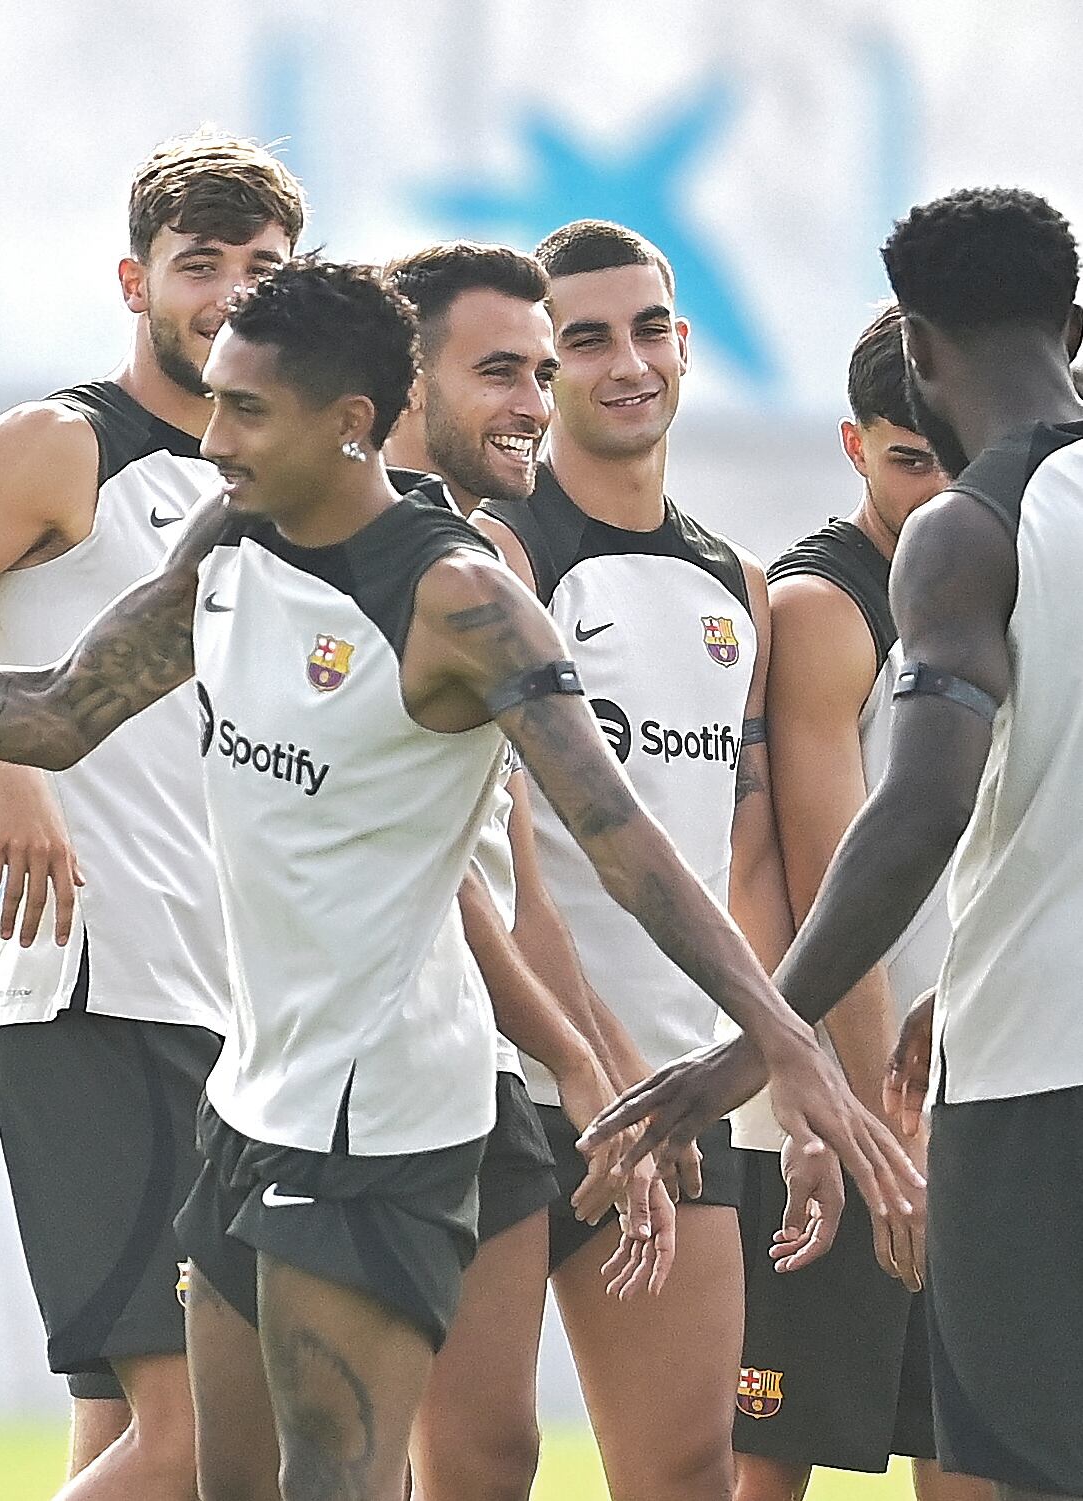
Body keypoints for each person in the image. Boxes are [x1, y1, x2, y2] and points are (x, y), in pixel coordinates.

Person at [0, 255, 918, 1501]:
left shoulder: (458, 599)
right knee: (223, 1484)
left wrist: (788, 1049)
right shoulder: (226, 540)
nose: (210, 435)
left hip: (385, 1129)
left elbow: (627, 842)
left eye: (243, 411)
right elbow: (59, 712)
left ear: (348, 426)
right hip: (246, 1105)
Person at [0, 131, 300, 1500]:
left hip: (248, 1011)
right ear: (135, 279)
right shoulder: (61, 447)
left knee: (128, 1441)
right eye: (199, 265)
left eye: (262, 269)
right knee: (207, 1441)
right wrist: (8, 764)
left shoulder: (285, 485)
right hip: (106, 991)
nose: (229, 296)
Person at [591, 185, 1083, 1501]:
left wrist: (754, 1045)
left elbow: (915, 814)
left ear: (918, 351)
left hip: (1038, 1077)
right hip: (992, 1034)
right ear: (1077, 325)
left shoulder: (966, 533)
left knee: (1018, 1460)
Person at [468, 218, 791, 1500]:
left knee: (685, 1468)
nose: (625, 366)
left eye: (647, 331)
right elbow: (509, 861)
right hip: (505, 1081)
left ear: (684, 342)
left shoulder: (736, 585)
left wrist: (760, 1069)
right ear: (539, 374)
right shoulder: (497, 556)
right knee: (481, 1462)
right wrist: (586, 1063)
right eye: (581, 341)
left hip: (674, 1093)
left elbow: (741, 857)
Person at [382, 240, 676, 1501]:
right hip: (320, 1086)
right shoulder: (304, 550)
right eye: (503, 369)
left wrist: (603, 1069)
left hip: (478, 1061)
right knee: (229, 1455)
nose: (534, 401)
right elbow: (441, 871)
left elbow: (513, 868)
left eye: (535, 370)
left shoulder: (474, 563)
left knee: (491, 1454)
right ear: (403, 378)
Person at [728, 305, 987, 1501]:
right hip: (838, 1108)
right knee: (774, 1458)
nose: (934, 489)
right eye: (904, 459)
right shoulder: (822, 607)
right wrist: (880, 1134)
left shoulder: (1005, 582)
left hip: (975, 1092)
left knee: (975, 1452)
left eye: (953, 456)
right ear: (851, 444)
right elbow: (836, 884)